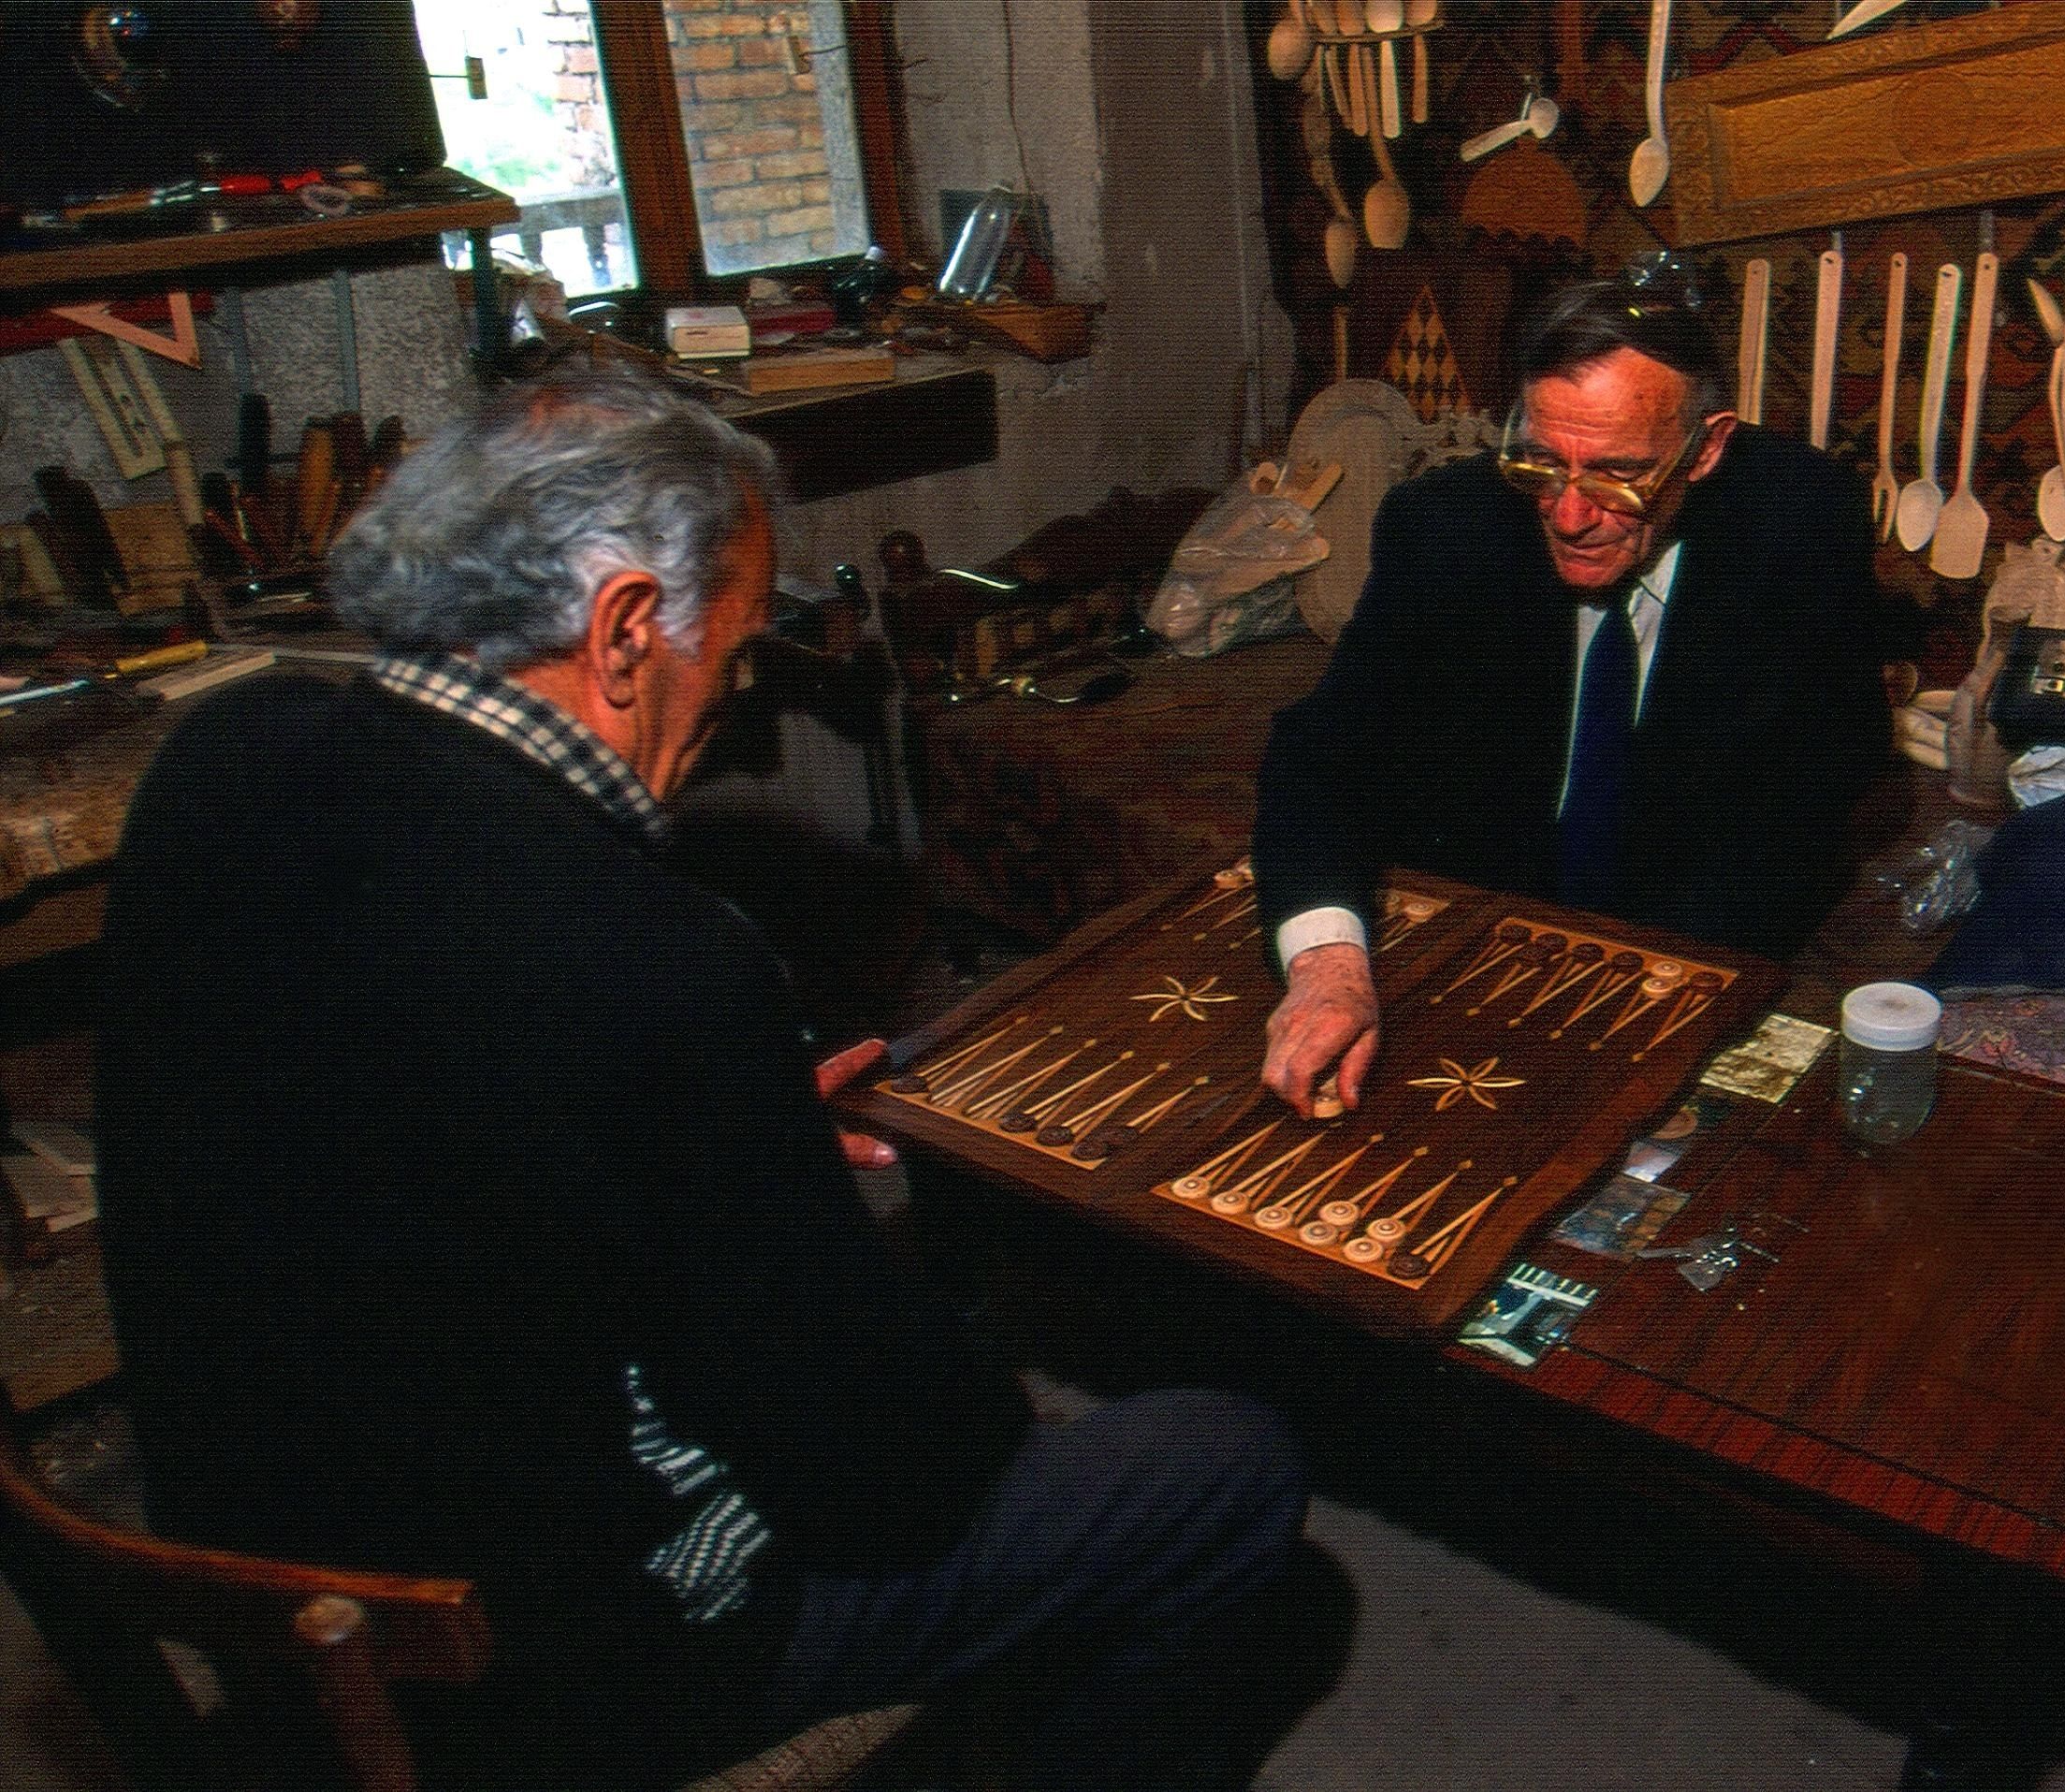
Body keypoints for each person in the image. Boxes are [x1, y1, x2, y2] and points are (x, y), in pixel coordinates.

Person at [95, 369, 1308, 1790]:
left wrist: (688, 1127)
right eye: (731, 652)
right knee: (1218, 1466)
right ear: (621, 630)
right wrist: (788, 1195)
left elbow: (377, 1074)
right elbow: (892, 1463)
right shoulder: (651, 953)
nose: (731, 700)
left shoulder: (221, 755)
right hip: (536, 1663)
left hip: (246, 1567)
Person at [1253, 260, 1916, 1115]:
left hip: (1701, 927)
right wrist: (1329, 965)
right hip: (1487, 921)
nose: (1569, 515)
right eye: (1539, 465)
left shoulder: (1798, 521)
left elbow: (1812, 795)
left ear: (1707, 447)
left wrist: (1639, 1008)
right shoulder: (1443, 527)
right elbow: (1322, 757)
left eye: (1617, 473)